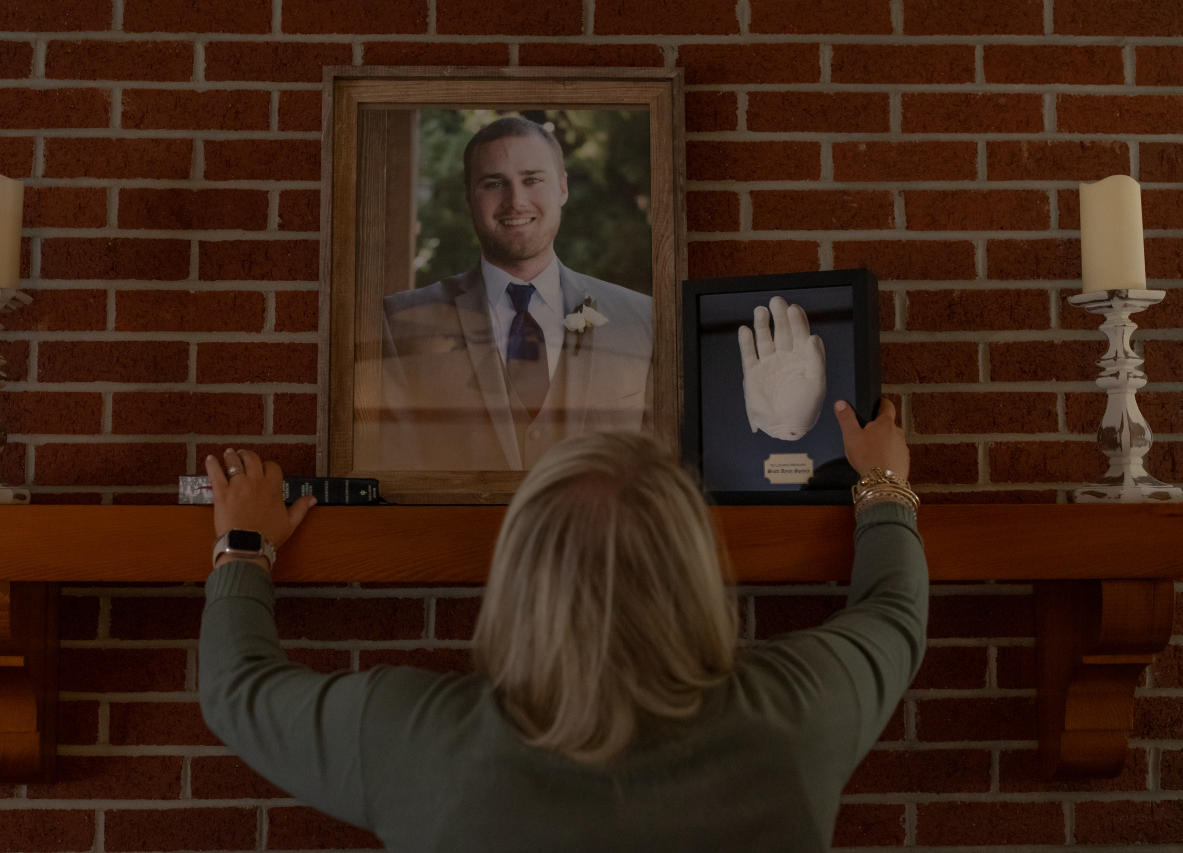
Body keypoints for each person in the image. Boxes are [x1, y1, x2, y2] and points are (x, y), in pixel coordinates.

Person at [197, 398, 926, 852]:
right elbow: (893, 610)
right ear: (697, 571)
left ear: (517, 575)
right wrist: (882, 483)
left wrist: (245, 545)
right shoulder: (797, 716)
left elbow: (237, 687)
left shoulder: (411, 738)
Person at [376, 116, 654, 471]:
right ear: (469, 197)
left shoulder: (641, 319)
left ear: (563, 188)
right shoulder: (401, 324)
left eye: (532, 180)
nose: (515, 201)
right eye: (494, 184)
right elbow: (396, 474)